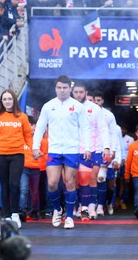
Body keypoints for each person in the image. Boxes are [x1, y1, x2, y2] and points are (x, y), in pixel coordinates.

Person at [32, 75, 92, 229]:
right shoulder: (48, 106)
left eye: (65, 88)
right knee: (52, 184)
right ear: (55, 88)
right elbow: (39, 127)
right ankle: (57, 210)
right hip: (55, 150)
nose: (62, 90)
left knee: (70, 183)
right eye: (59, 87)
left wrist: (87, 148)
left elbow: (85, 128)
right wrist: (35, 147)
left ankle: (70, 217)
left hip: (72, 150)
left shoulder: (79, 107)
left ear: (70, 89)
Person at [0, 89, 33, 229]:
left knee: (15, 185)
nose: (7, 101)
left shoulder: (22, 117)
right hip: (1, 155)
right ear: (1, 101)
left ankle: (15, 214)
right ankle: (7, 216)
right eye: (4, 99)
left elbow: (28, 135)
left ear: (14, 100)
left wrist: (31, 149)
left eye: (9, 99)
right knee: (4, 186)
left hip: (17, 155)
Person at [71, 83, 110, 221]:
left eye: (81, 92)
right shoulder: (68, 108)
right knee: (76, 181)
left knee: (91, 178)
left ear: (86, 93)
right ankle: (79, 205)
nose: (78, 95)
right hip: (75, 149)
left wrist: (106, 147)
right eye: (76, 92)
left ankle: (89, 207)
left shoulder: (94, 109)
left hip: (94, 149)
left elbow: (103, 128)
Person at [19, 116, 47, 221]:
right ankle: (22, 211)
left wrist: (41, 163)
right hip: (24, 167)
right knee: (24, 189)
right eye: (28, 125)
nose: (30, 127)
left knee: (34, 192)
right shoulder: (20, 138)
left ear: (36, 126)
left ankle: (34, 211)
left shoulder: (41, 140)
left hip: (36, 168)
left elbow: (44, 154)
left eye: (32, 125)